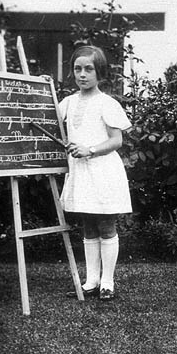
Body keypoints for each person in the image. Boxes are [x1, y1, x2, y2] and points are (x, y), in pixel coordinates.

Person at [59, 45, 132, 301]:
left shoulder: (107, 103)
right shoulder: (67, 102)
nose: (82, 74)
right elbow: (50, 120)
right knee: (88, 225)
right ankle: (91, 280)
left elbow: (116, 141)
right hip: (81, 172)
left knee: (105, 224)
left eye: (88, 69)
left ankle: (108, 282)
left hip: (103, 171)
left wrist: (89, 149)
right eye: (77, 69)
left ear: (99, 72)